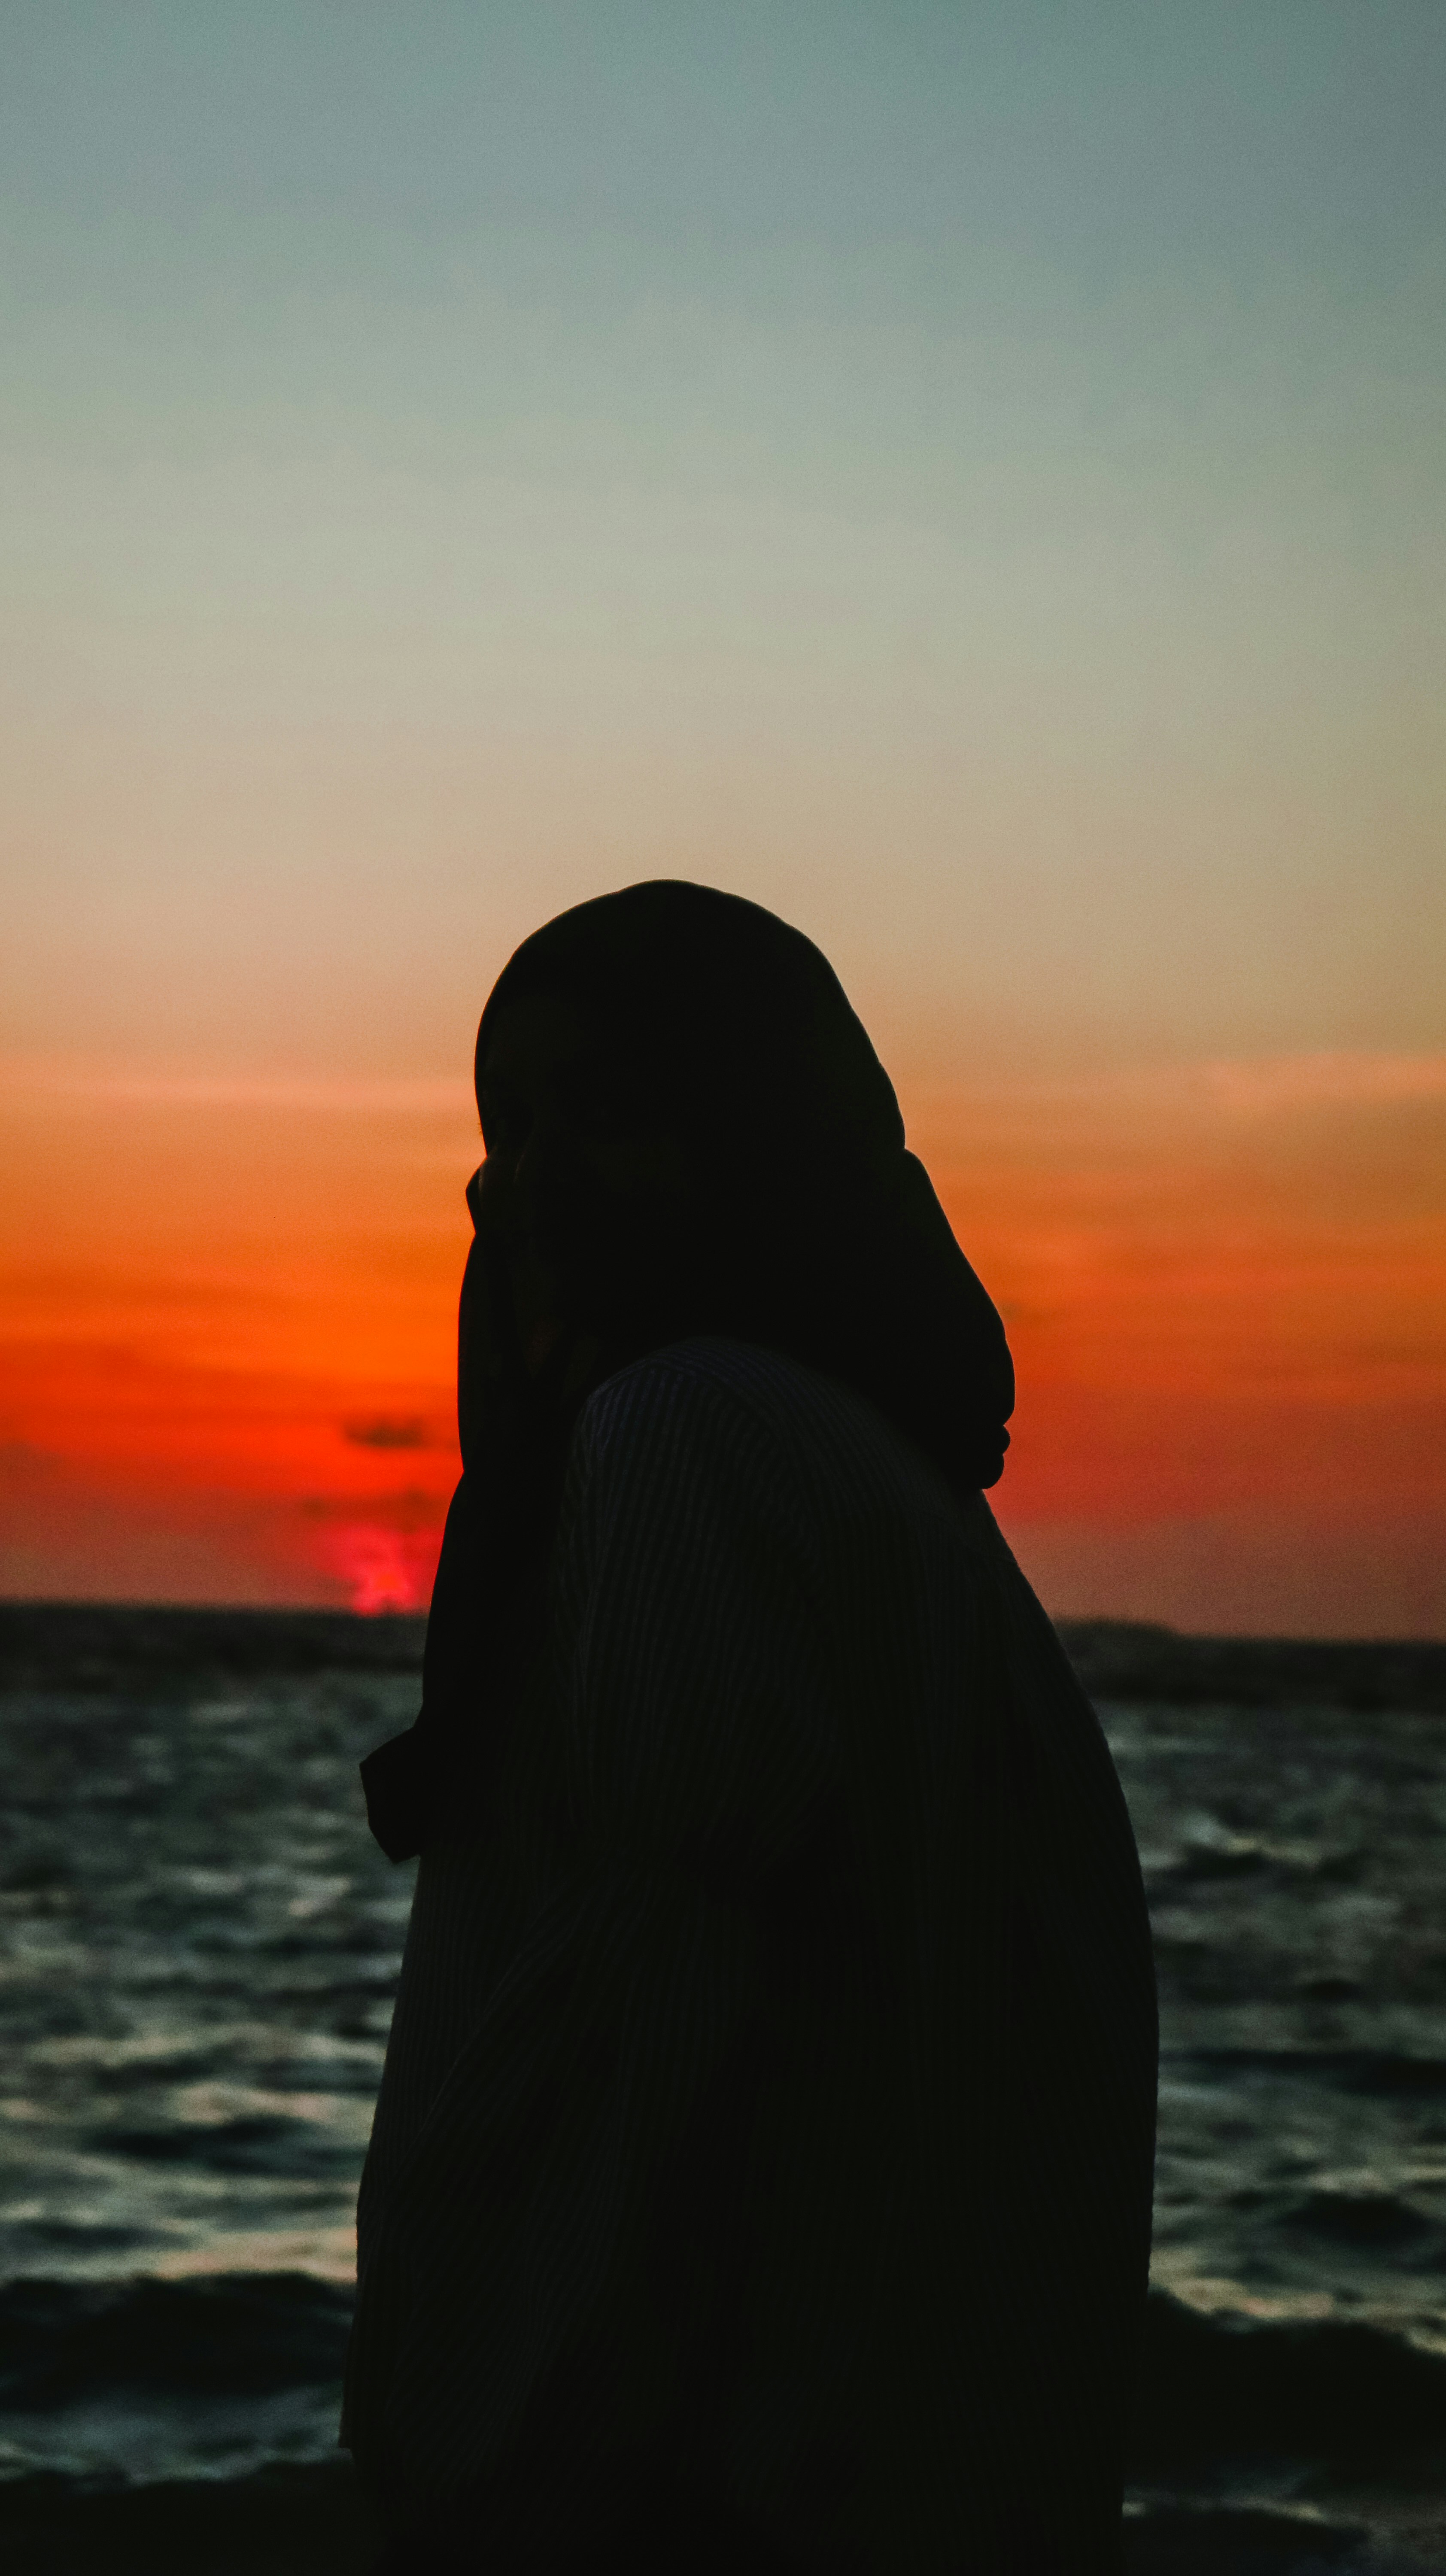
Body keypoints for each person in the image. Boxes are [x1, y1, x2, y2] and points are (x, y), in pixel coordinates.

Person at [343, 882, 1157, 2574]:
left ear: (759, 1134)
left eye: (610, 1118)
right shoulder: (878, 1479)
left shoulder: (684, 1437)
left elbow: (636, 2073)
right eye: (508, 1130)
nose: (529, 1187)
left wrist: (467, 2469)